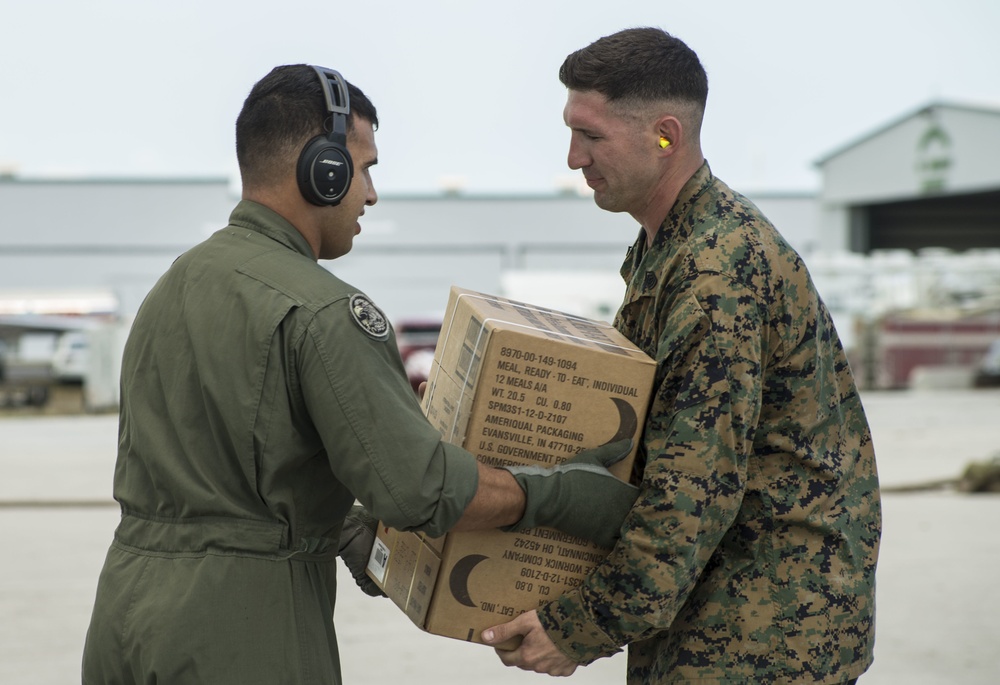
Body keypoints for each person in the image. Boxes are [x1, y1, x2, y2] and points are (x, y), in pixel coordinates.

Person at [81, 64, 637, 685]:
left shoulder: (175, 283)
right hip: (239, 629)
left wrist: (336, 518)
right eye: (366, 168)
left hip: (124, 615)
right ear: (325, 169)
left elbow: (230, 460)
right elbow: (419, 491)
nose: (370, 193)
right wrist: (557, 493)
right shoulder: (324, 308)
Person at [482, 27, 882, 684]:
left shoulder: (716, 275)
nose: (574, 157)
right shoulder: (671, 250)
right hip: (719, 613)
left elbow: (688, 497)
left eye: (592, 135)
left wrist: (575, 626)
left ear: (665, 134)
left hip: (765, 634)